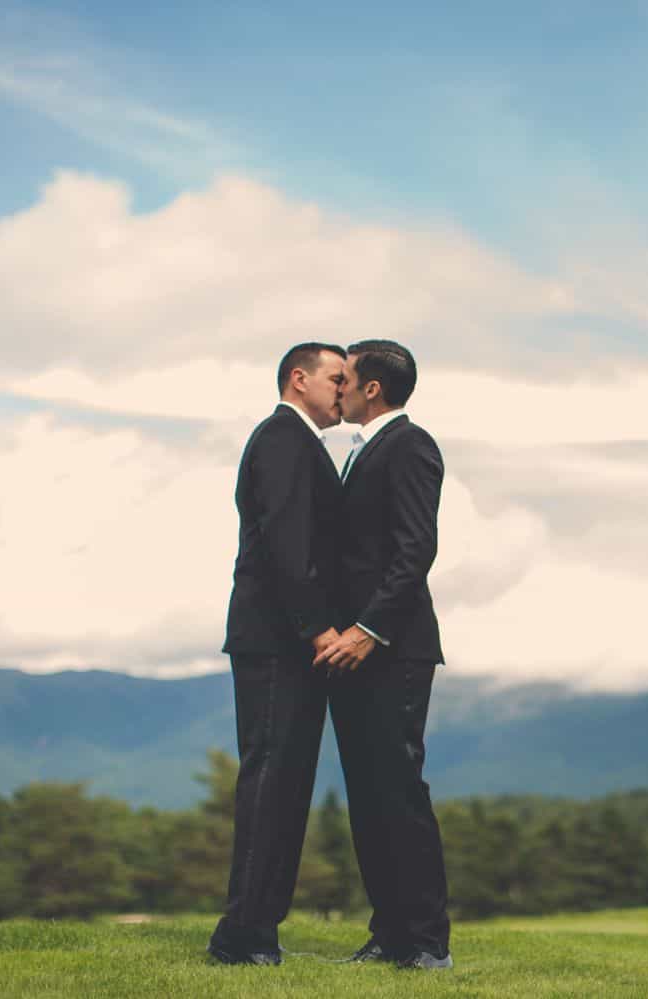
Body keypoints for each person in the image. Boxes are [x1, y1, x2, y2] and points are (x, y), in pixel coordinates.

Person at [314, 339, 452, 970]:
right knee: (369, 797)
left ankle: (426, 942)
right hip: (353, 653)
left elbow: (414, 549)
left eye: (345, 379)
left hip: (391, 651)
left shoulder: (411, 445)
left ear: (371, 389)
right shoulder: (358, 451)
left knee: (398, 792)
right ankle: (390, 934)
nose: (336, 388)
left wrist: (369, 629)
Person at [208, 343, 347, 966]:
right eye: (336, 377)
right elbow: (288, 546)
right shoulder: (283, 439)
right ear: (299, 379)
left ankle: (257, 929)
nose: (346, 389)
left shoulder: (297, 442)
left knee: (287, 786)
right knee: (271, 784)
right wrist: (317, 629)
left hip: (285, 640)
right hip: (277, 641)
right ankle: (242, 937)